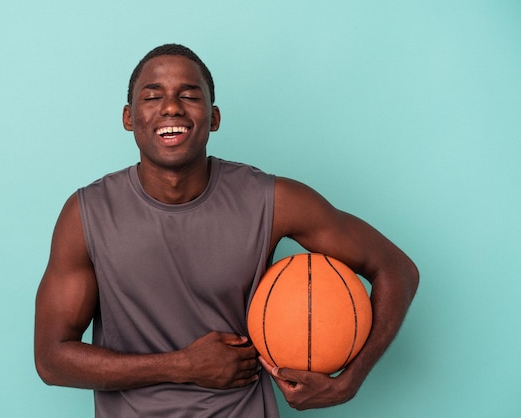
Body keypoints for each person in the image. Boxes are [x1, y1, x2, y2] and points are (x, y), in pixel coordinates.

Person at [34, 43, 419, 417]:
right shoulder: (86, 215)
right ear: (129, 117)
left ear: (214, 117)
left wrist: (348, 383)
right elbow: (52, 359)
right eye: (152, 97)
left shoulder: (272, 199)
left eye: (189, 95)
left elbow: (396, 270)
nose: (171, 107)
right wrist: (181, 365)